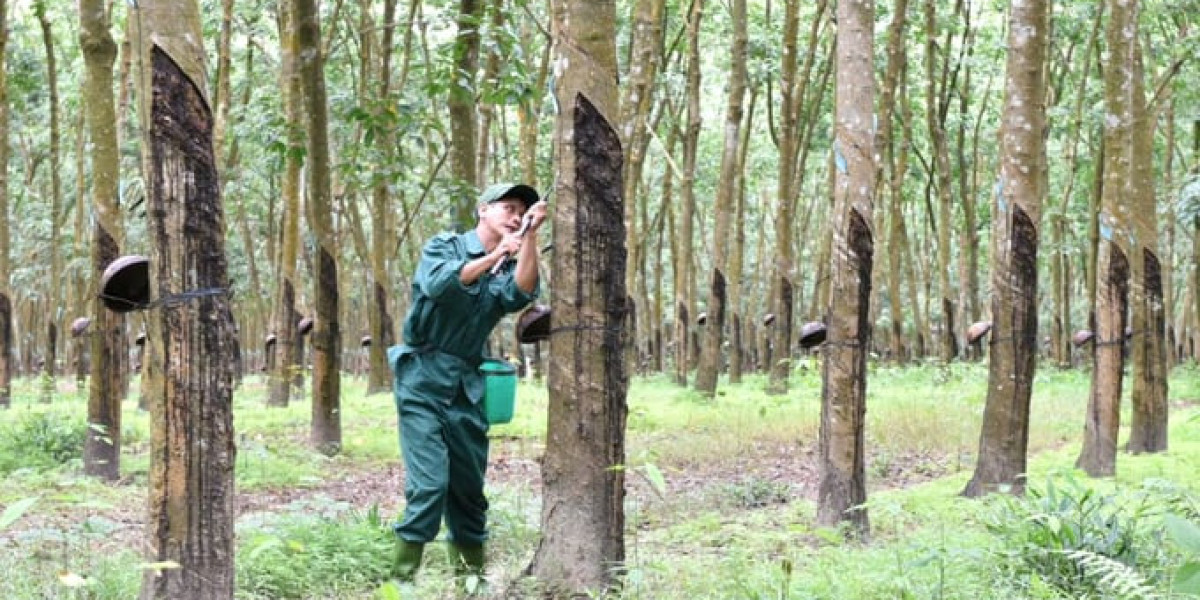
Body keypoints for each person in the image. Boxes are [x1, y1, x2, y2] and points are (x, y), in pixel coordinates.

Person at [387, 182, 546, 591]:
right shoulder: (446, 246)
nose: (514, 215)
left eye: (521, 211)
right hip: (422, 376)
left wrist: (531, 237)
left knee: (469, 490)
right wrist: (496, 253)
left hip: (466, 383)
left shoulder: (512, 260)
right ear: (482, 210)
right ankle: (400, 585)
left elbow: (522, 293)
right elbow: (440, 285)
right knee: (429, 486)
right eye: (508, 207)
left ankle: (471, 584)